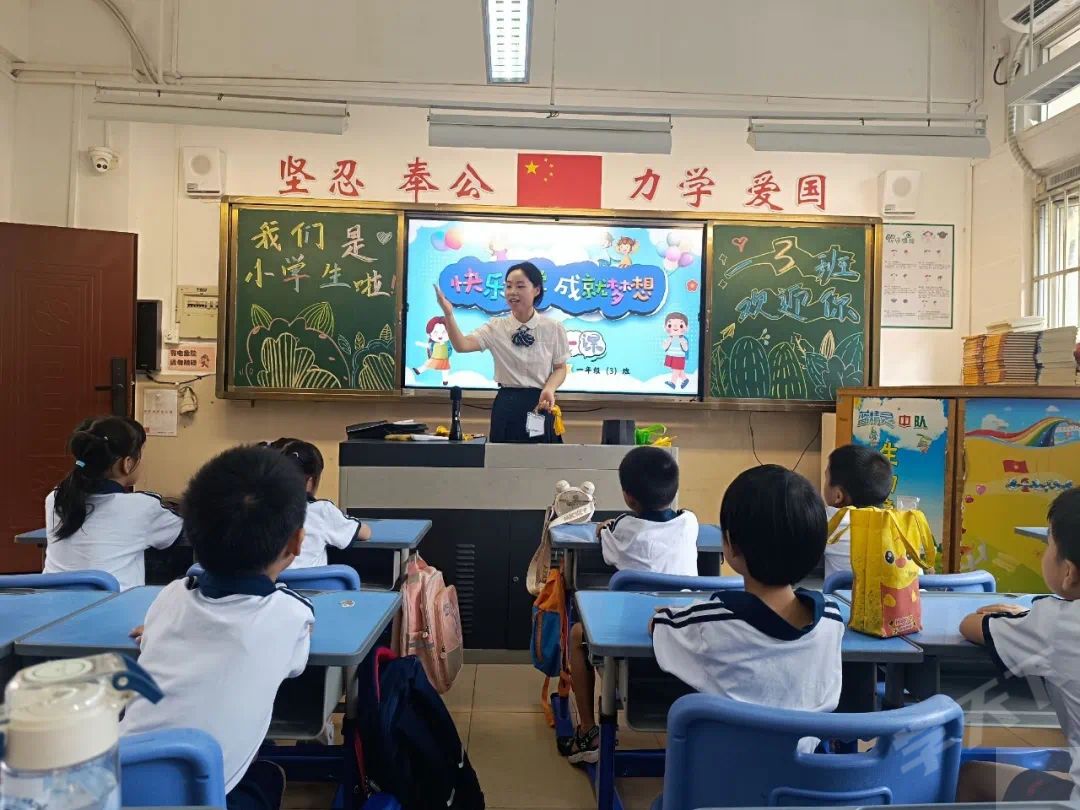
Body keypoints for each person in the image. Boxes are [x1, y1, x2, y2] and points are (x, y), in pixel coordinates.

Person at [121, 445, 315, 810]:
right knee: (266, 775)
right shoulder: (291, 615)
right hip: (208, 796)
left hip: (118, 784)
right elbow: (295, 664)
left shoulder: (169, 598)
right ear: (297, 541)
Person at [651, 465, 844, 751]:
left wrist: (659, 617)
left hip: (723, 775)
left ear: (731, 545)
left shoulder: (710, 622)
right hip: (803, 774)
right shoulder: (831, 619)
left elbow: (659, 625)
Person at [565, 446, 698, 764]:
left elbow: (606, 540)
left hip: (635, 643)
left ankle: (588, 733)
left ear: (628, 497)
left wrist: (604, 528)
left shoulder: (626, 530)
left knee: (577, 634)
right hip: (685, 639)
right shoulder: (689, 522)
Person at [955, 487, 1080, 804]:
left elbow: (970, 626)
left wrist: (1028, 617)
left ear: (1069, 572)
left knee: (970, 776)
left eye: (1048, 544)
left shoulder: (1055, 623)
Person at [434, 261, 569, 443]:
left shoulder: (553, 327)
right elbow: (462, 345)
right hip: (507, 403)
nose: (512, 292)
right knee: (503, 456)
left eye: (520, 286)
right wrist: (449, 314)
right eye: (508, 286)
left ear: (536, 290)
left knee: (540, 456)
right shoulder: (496, 327)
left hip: (540, 403)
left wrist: (549, 389)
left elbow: (560, 367)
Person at [44, 416, 183, 591]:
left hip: (53, 603)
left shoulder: (55, 499)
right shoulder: (143, 507)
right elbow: (178, 532)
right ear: (127, 463)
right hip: (115, 604)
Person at [278, 438, 371, 568]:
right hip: (313, 582)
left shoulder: (261, 510)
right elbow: (365, 533)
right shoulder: (323, 511)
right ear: (311, 481)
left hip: (274, 580)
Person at [821, 444, 893, 581]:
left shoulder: (831, 521)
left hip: (850, 595)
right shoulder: (900, 524)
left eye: (826, 478)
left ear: (838, 496)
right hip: (913, 594)